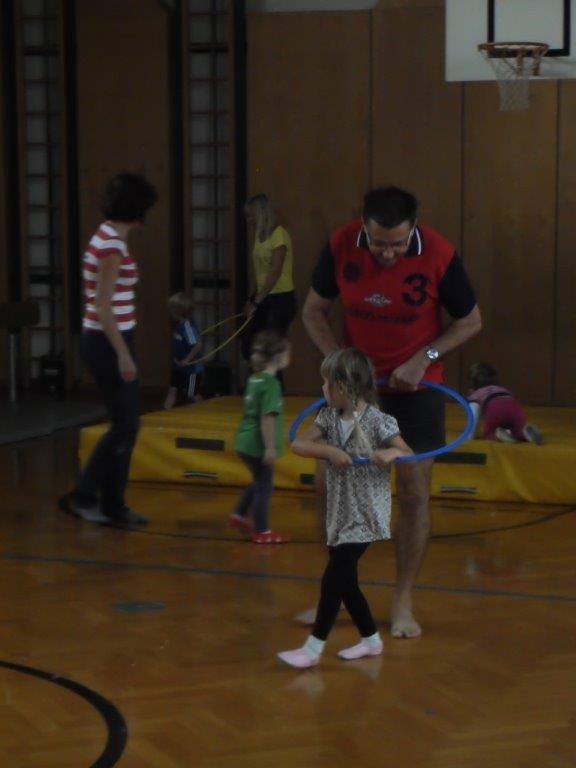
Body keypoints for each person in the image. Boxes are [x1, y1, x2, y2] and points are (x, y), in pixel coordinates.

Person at [301, 185, 482, 638]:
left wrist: (425, 358)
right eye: (378, 243)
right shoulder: (340, 244)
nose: (387, 253)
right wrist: (340, 364)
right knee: (327, 484)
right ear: (364, 228)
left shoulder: (439, 254)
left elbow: (470, 320)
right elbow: (313, 312)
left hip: (417, 385)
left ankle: (403, 599)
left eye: (397, 244)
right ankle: (338, 588)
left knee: (415, 491)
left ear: (413, 229)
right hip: (357, 386)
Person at [277, 348, 413, 669]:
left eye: (326, 382)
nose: (322, 388)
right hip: (340, 512)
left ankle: (313, 649)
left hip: (366, 514)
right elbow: (298, 443)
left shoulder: (379, 421)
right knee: (346, 582)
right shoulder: (328, 417)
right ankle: (371, 640)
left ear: (342, 385)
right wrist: (328, 451)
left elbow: (407, 451)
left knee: (333, 579)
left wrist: (390, 454)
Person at [59, 172, 158, 526]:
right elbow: (102, 306)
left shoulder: (111, 236)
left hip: (113, 338)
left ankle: (113, 503)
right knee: (125, 424)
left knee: (125, 425)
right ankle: (86, 494)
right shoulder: (111, 247)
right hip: (107, 341)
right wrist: (123, 354)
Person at [230, 331, 291, 544]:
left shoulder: (254, 379)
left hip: (244, 442)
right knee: (265, 487)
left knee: (258, 481)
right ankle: (262, 530)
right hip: (257, 445)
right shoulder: (271, 384)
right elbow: (267, 418)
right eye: (288, 352)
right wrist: (270, 447)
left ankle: (238, 514)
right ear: (278, 356)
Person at [241, 195, 297, 366]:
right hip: (263, 297)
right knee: (249, 347)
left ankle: (271, 382)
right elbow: (259, 273)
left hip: (280, 299)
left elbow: (275, 272)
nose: (249, 221)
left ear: (261, 214)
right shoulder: (259, 238)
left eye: (251, 216)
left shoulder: (279, 235)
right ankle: (261, 381)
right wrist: (252, 298)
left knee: (270, 352)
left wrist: (256, 302)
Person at [467, 362, 542, 444]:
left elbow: (474, 415)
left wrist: (471, 434)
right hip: (514, 408)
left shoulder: (476, 395)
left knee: (489, 432)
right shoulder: (501, 389)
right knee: (517, 428)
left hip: (495, 409)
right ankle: (523, 432)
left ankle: (497, 434)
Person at [164, 292, 204, 409]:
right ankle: (165, 412)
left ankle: (204, 409)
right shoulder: (177, 325)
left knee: (192, 394)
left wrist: (187, 359)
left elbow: (197, 345)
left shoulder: (187, 327)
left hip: (192, 369)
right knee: (172, 390)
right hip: (179, 367)